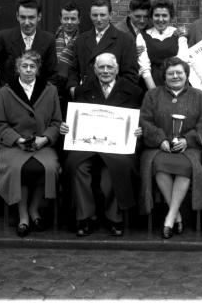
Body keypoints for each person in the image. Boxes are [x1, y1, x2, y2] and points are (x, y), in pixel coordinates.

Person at [0, 0, 58, 221]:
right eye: (22, 17)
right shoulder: (4, 37)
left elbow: (52, 73)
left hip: (38, 102)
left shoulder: (48, 39)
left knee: (39, 157)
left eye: (31, 18)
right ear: (17, 16)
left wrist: (48, 101)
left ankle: (35, 205)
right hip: (8, 102)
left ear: (39, 17)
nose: (27, 22)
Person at [59, 53, 144, 237]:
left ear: (117, 69)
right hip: (87, 145)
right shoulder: (82, 90)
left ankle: (115, 217)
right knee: (77, 166)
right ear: (95, 70)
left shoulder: (133, 91)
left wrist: (138, 130)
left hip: (116, 147)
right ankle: (84, 217)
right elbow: (75, 119)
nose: (106, 71)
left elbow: (139, 120)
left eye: (109, 67)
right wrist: (67, 127)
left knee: (114, 169)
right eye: (101, 67)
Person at [138, 57, 202, 239]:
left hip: (190, 149)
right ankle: (176, 215)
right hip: (159, 148)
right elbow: (145, 121)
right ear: (164, 77)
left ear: (186, 75)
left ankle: (170, 217)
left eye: (179, 73)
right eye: (170, 73)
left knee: (185, 167)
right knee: (158, 165)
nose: (175, 76)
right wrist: (160, 140)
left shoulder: (200, 96)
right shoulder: (152, 95)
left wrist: (188, 140)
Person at [0, 51, 62, 237]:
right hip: (15, 146)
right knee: (18, 168)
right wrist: (17, 139)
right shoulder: (5, 92)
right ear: (18, 68)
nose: (28, 70)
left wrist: (45, 138)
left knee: (48, 168)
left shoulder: (50, 90)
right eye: (24, 66)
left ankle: (34, 209)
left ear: (38, 69)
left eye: (32, 66)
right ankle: (23, 216)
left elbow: (56, 122)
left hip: (42, 145)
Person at [58, 0, 139, 100]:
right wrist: (73, 88)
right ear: (90, 15)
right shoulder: (81, 40)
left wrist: (118, 95)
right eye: (95, 15)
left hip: (114, 98)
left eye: (102, 15)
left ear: (110, 15)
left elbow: (130, 75)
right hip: (86, 96)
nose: (98, 19)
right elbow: (74, 70)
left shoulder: (125, 40)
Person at [136, 0, 190, 91]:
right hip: (151, 85)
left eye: (164, 15)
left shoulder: (179, 35)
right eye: (157, 15)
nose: (160, 19)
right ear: (151, 17)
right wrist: (154, 93)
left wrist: (175, 90)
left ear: (170, 17)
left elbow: (183, 62)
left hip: (177, 84)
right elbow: (145, 68)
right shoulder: (142, 36)